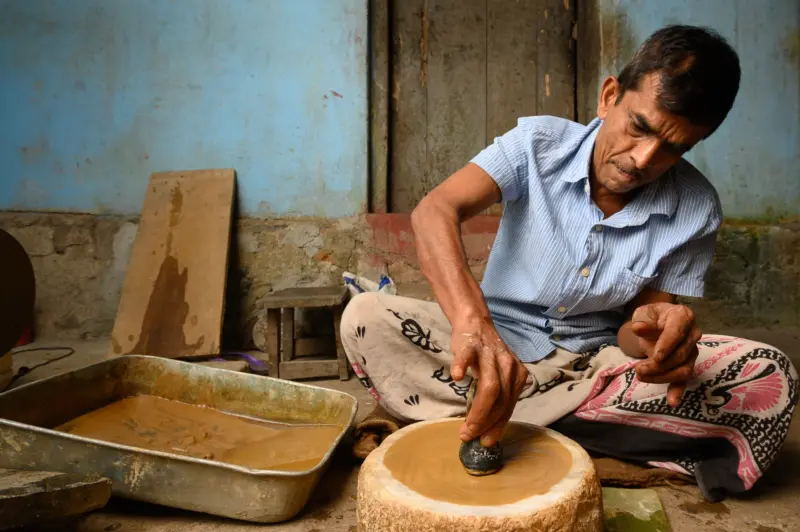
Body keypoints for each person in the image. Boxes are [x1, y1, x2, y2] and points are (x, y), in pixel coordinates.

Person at [340, 25, 798, 502]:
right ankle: (567, 425)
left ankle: (500, 417)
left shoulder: (696, 207)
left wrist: (657, 336)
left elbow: (633, 333)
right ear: (609, 96)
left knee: (769, 374)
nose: (643, 159)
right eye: (639, 127)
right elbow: (435, 210)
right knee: (366, 317)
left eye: (674, 148)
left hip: (593, 372)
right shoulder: (537, 143)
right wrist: (473, 324)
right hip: (492, 350)